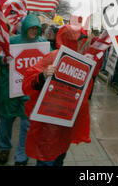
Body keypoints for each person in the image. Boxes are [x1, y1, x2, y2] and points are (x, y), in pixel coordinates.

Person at [22, 24, 92, 166]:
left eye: (82, 41)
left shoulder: (81, 61)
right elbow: (27, 83)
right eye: (78, 40)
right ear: (69, 40)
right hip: (47, 124)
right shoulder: (52, 57)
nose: (81, 44)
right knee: (46, 159)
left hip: (64, 124)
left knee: (59, 158)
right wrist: (43, 75)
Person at [0, 14, 46, 166]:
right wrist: (4, 59)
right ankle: (4, 148)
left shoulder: (42, 43)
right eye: (31, 28)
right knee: (6, 121)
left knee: (27, 125)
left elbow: (50, 60)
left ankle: (22, 156)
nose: (34, 31)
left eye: (36, 28)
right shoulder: (10, 41)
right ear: (25, 28)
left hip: (29, 92)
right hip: (11, 91)